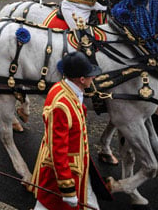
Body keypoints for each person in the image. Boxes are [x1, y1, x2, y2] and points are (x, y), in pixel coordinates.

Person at [31, 52, 110, 210]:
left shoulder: (66, 88)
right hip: (62, 171)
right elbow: (58, 150)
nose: (93, 78)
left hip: (78, 167)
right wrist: (67, 188)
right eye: (90, 76)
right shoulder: (62, 105)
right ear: (82, 79)